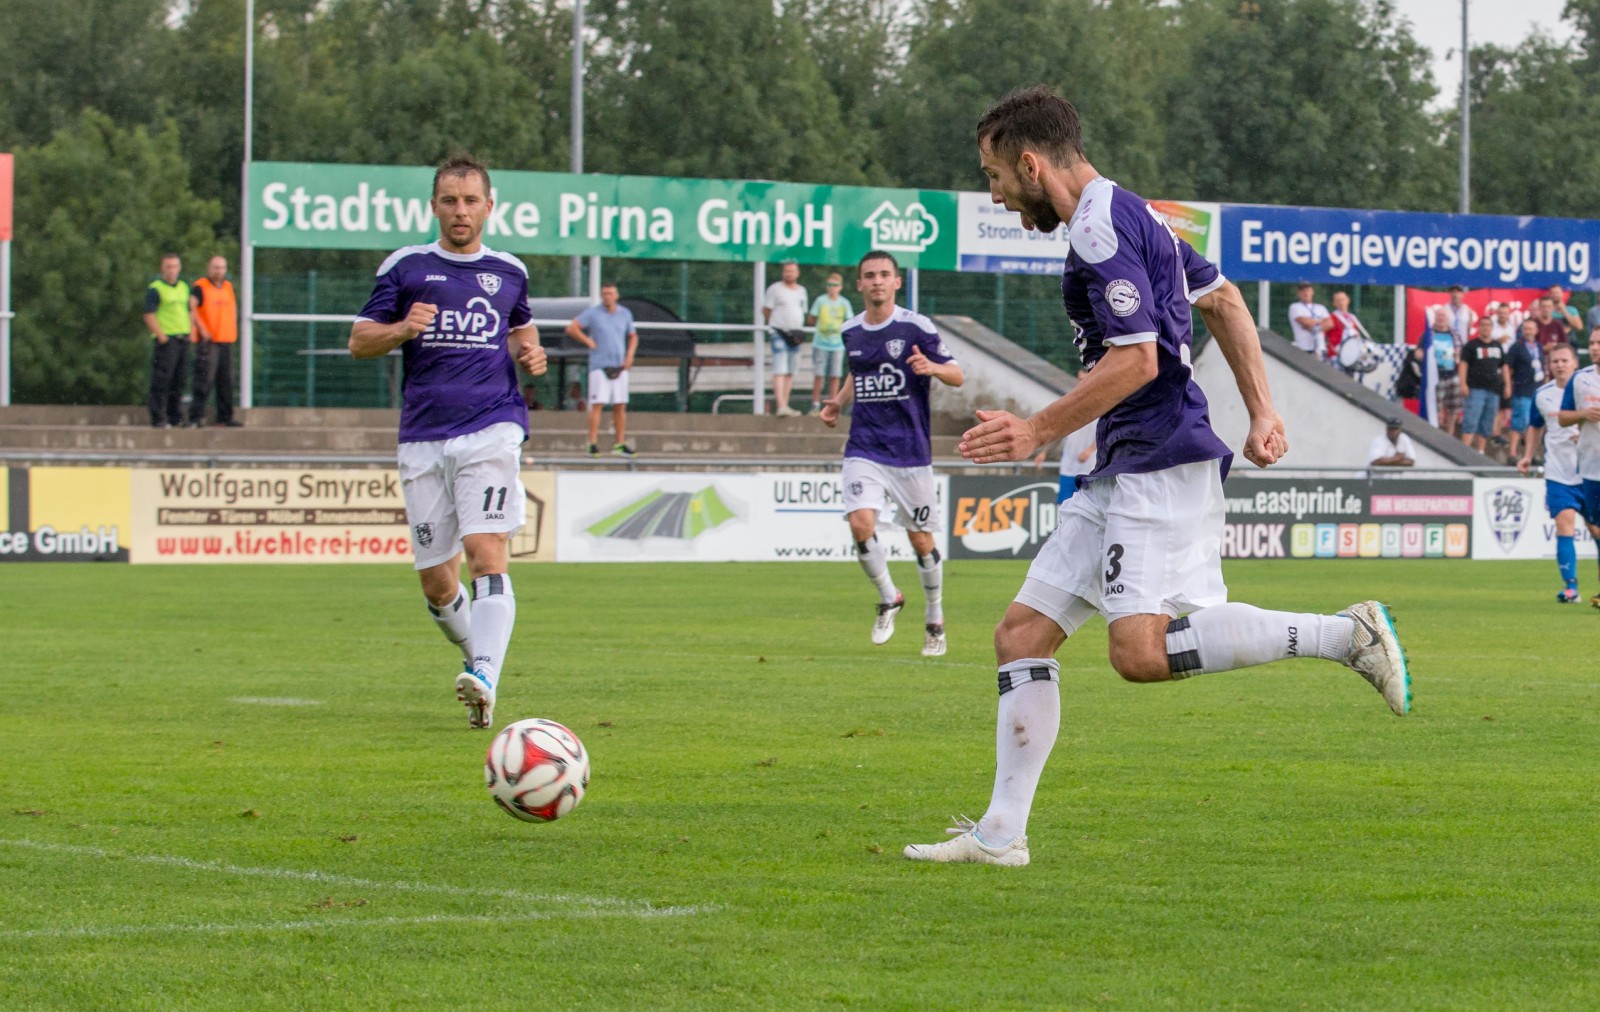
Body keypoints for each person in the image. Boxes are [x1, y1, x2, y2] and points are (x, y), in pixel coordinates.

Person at [903, 86, 1409, 868]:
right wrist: (1262, 411)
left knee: (1138, 653)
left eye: (995, 176)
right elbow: (1226, 300)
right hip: (1126, 460)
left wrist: (1037, 429)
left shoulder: (1101, 229)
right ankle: (1000, 837)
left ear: (1032, 164)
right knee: (1020, 635)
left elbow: (1138, 360)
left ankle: (1349, 635)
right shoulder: (1138, 215)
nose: (995, 194)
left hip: (1159, 456)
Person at [348, 154, 548, 729]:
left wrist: (530, 352)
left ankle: (485, 673)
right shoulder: (407, 267)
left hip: (493, 425)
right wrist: (402, 330)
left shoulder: (510, 271)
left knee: (487, 550)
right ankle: (475, 659)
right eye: (449, 201)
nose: (460, 211)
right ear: (434, 206)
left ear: (490, 205)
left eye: (470, 200)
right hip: (423, 437)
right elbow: (360, 341)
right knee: (439, 583)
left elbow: (520, 327)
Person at [819, 250, 964, 657]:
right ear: (859, 285)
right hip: (865, 446)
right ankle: (889, 597)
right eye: (870, 276)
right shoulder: (851, 331)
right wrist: (837, 403)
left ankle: (935, 617)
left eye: (885, 274)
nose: (878, 281)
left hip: (910, 453)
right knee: (861, 524)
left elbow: (957, 373)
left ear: (896, 282)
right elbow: (858, 373)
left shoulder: (916, 326)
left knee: (921, 542)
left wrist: (932, 369)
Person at [1519, 343, 1586, 603]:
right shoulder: (1542, 395)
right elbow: (1535, 427)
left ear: (1574, 363)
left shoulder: (1590, 390)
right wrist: (1527, 456)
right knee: (1563, 523)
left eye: (1564, 360)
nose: (1559, 365)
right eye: (1555, 361)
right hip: (1558, 473)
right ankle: (1571, 588)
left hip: (1590, 472)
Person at [566, 283, 639, 458]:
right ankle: (592, 442)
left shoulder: (625, 314)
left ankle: (619, 443)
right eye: (604, 293)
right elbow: (572, 327)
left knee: (620, 405)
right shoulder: (593, 313)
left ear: (616, 295)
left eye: (610, 293)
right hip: (600, 365)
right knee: (598, 404)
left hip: (619, 365)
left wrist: (629, 355)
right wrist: (588, 341)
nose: (607, 296)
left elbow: (633, 335)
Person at [1555, 326, 1600, 609]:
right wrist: (1583, 414)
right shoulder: (1580, 380)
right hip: (1591, 469)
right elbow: (1562, 417)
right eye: (1593, 342)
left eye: (1599, 342)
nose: (1594, 347)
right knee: (1596, 530)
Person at [187, 255, 241, 428]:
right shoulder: (200, 287)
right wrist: (201, 328)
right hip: (208, 341)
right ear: (209, 268)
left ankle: (225, 417)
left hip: (226, 339)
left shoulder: (228, 287)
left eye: (222, 268)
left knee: (226, 381)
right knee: (204, 380)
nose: (219, 271)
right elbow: (191, 307)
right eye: (216, 267)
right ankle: (196, 417)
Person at [143, 253, 191, 429]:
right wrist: (161, 336)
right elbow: (149, 314)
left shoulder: (184, 287)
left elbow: (187, 311)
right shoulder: (156, 288)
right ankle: (158, 417)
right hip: (167, 340)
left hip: (182, 337)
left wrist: (190, 331)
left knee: (179, 380)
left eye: (175, 266)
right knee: (162, 380)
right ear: (162, 269)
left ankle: (175, 416)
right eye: (168, 267)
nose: (172, 271)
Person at [763, 260, 808, 416]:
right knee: (780, 368)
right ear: (783, 272)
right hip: (779, 332)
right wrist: (775, 326)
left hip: (795, 334)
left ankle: (786, 405)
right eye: (787, 271)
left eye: (792, 271)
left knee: (790, 370)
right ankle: (781, 405)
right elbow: (766, 310)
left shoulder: (802, 291)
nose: (789, 274)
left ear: (797, 273)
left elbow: (802, 311)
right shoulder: (775, 289)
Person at [1458, 316, 1507, 453]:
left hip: (1493, 390)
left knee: (1487, 422)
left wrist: (1508, 385)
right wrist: (1463, 384)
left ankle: (1480, 452)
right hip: (1475, 389)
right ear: (1479, 327)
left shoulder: (1497, 346)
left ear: (1492, 328)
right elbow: (1463, 365)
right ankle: (1464, 452)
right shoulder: (1471, 345)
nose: (1485, 328)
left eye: (1488, 325)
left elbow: (1504, 367)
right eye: (1483, 325)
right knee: (1471, 420)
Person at [806, 273, 852, 415]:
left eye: (835, 285)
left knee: (835, 375)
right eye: (829, 285)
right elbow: (811, 319)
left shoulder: (844, 303)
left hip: (837, 345)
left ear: (840, 287)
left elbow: (849, 320)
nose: (832, 288)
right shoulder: (820, 301)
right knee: (819, 375)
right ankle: (815, 405)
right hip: (820, 344)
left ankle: (832, 404)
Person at [1503, 319, 1544, 459]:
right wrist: (1508, 385)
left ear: (1536, 330)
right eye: (1526, 328)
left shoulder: (1539, 346)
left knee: (1533, 423)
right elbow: (1507, 367)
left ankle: (1529, 454)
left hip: (1537, 390)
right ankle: (1513, 453)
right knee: (1520, 421)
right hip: (1522, 390)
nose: (1528, 331)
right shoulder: (1517, 347)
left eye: (1531, 328)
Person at [1420, 306, 1461, 435]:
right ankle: (1435, 433)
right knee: (1435, 407)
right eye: (1439, 316)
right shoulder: (1428, 334)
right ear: (1435, 318)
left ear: (1448, 319)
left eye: (1443, 316)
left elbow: (1460, 352)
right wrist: (1420, 354)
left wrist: (1458, 357)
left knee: (1453, 408)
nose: (1441, 318)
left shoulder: (1455, 334)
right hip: (1435, 376)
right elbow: (1419, 351)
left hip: (1452, 375)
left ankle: (1450, 434)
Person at [1033, 423, 1097, 502]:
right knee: (1064, 505)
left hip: (1089, 471)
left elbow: (1105, 435)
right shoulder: (1069, 414)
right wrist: (1044, 453)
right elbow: (1058, 436)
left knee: (1089, 507)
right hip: (1068, 469)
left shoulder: (1098, 414)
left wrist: (1090, 450)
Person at [1286, 282, 1331, 355]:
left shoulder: (1320, 308)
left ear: (1312, 292)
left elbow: (1330, 324)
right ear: (1299, 293)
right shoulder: (1295, 307)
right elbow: (1304, 321)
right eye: (1302, 291)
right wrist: (1321, 322)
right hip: (1303, 348)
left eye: (1307, 290)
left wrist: (1314, 326)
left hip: (1320, 347)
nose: (1305, 293)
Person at [1442, 284, 1476, 350]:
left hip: (1463, 346)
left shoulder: (1468, 310)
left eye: (1458, 292)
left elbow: (1469, 329)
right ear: (1450, 294)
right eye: (1453, 292)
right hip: (1447, 346)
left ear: (1463, 294)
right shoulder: (1444, 309)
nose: (1455, 295)